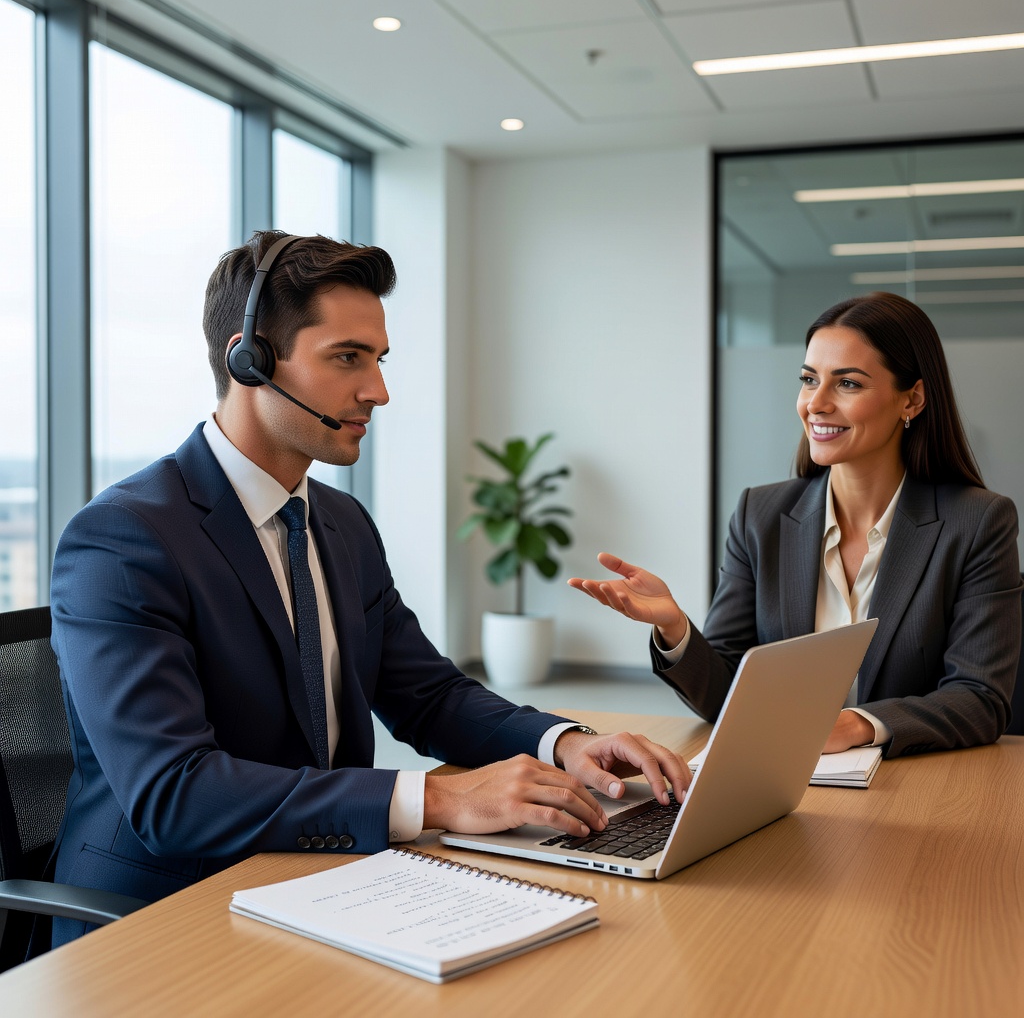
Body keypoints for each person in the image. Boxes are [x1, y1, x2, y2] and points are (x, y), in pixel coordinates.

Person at [48, 231, 689, 948]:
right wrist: (437, 797)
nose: (378, 392)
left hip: (321, 880)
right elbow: (175, 794)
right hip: (162, 918)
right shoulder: (124, 539)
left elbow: (428, 695)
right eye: (347, 358)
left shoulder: (340, 522)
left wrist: (562, 742)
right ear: (249, 359)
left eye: (379, 360)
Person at [570, 291, 1021, 759]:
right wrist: (675, 629)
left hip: (917, 780)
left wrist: (858, 725)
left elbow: (980, 698)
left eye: (848, 383)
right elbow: (726, 695)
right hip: (786, 781)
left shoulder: (977, 523)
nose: (815, 404)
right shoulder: (760, 516)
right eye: (809, 380)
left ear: (912, 399)